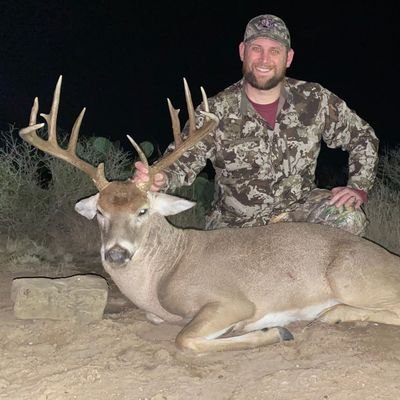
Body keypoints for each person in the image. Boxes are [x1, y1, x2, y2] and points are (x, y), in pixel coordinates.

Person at [134, 14, 379, 236]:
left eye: (275, 51)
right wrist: (160, 177)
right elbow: (182, 161)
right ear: (243, 51)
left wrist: (358, 187)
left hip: (298, 213)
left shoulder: (315, 99)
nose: (264, 59)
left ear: (288, 57)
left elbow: (363, 137)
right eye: (256, 49)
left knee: (348, 218)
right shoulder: (215, 111)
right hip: (236, 226)